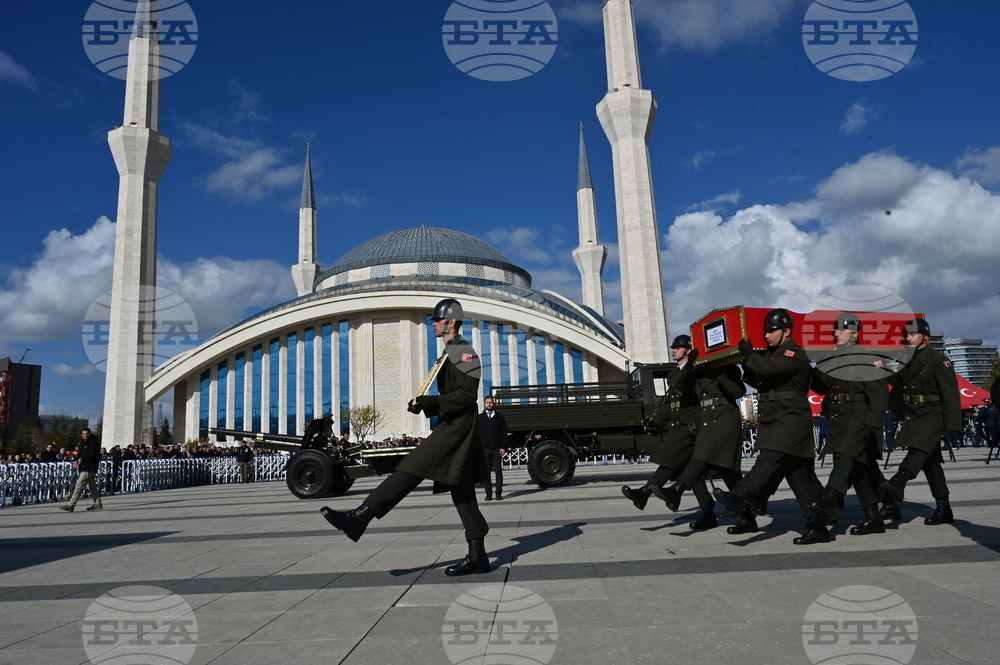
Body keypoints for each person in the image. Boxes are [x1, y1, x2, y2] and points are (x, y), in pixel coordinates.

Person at [320, 299, 491, 576]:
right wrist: (424, 404)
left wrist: (431, 402)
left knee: (412, 466)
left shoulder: (463, 351)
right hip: (453, 426)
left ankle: (360, 516)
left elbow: (467, 396)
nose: (433, 323)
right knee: (463, 493)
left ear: (451, 321)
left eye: (437, 319)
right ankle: (478, 556)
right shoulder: (451, 351)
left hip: (457, 430)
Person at [713, 308, 830, 545]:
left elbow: (768, 369)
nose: (766, 335)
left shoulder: (795, 354)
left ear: (786, 331)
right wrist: (747, 360)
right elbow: (757, 378)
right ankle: (818, 525)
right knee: (799, 477)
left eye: (772, 331)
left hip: (791, 419)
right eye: (765, 331)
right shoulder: (771, 356)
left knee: (769, 458)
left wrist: (750, 355)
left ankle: (740, 494)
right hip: (777, 418)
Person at [652, 349, 757, 533]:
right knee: (729, 472)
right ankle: (747, 517)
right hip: (706, 421)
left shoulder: (727, 368)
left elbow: (738, 391)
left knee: (703, 457)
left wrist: (718, 369)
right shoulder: (699, 371)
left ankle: (677, 489)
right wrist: (690, 365)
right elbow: (679, 383)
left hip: (725, 418)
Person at [806, 313, 890, 536]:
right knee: (859, 471)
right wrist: (811, 368)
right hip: (840, 420)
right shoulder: (834, 359)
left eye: (841, 329)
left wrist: (872, 425)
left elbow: (879, 395)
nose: (836, 333)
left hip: (859, 420)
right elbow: (822, 387)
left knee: (844, 460)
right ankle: (874, 517)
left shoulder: (869, 358)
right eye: (835, 330)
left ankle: (829, 499)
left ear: (855, 333)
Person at [881, 318, 962, 525]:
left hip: (933, 414)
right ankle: (944, 508)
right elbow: (897, 381)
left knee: (918, 449)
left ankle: (900, 479)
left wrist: (953, 426)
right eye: (906, 335)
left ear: (925, 337)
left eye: (912, 334)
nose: (907, 338)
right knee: (930, 463)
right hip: (915, 414)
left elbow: (951, 395)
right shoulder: (908, 359)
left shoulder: (938, 360)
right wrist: (881, 367)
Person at [620, 335, 711, 516]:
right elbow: (670, 402)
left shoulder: (694, 371)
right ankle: (708, 511)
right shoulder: (673, 374)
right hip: (678, 425)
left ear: (688, 351)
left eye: (678, 347)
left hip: (689, 426)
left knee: (670, 459)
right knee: (692, 473)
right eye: (673, 347)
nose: (674, 350)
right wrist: (657, 422)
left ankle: (645, 492)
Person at [59, 428, 103, 512]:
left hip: (89, 467)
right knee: (91, 487)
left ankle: (71, 504)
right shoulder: (83, 443)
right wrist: (76, 459)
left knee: (79, 486)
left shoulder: (93, 443)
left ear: (90, 434)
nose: (85, 435)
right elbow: (79, 453)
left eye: (87, 433)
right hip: (84, 467)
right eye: (84, 434)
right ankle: (97, 503)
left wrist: (82, 459)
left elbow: (93, 454)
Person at [478, 396, 508, 501]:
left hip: (497, 449)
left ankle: (498, 493)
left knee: (498, 471)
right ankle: (488, 494)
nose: (489, 404)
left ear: (493, 404)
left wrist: (503, 447)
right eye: (487, 402)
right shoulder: (480, 418)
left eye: (491, 402)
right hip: (485, 449)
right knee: (486, 473)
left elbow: (504, 433)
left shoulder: (500, 417)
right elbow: (477, 434)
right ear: (484, 404)